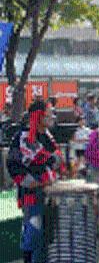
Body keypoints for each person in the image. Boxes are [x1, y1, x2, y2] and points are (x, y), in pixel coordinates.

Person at [6, 101, 66, 263]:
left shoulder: (47, 136)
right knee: (34, 231)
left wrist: (51, 163)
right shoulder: (24, 136)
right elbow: (18, 163)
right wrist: (34, 180)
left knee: (46, 234)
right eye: (49, 113)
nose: (52, 116)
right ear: (38, 116)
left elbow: (57, 160)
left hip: (48, 191)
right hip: (31, 192)